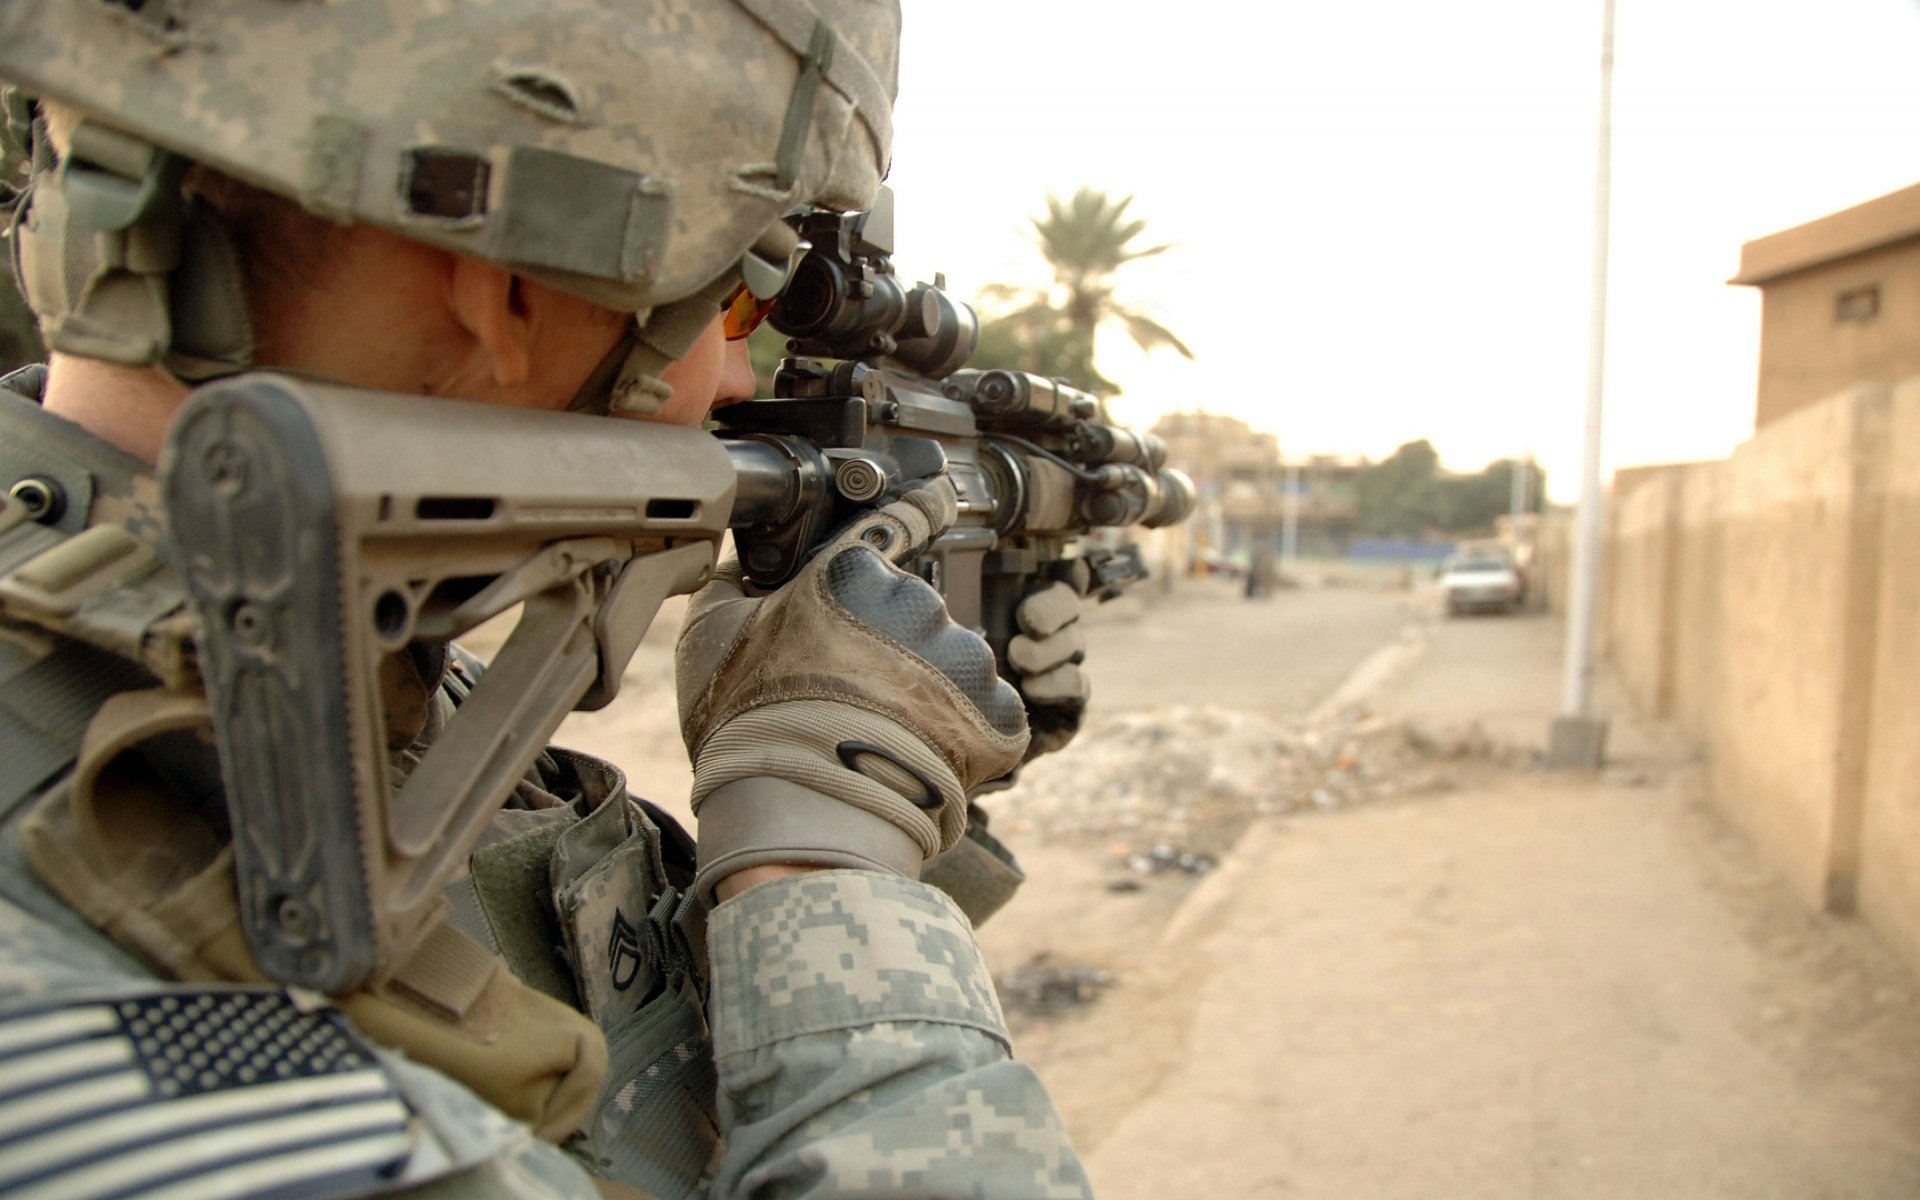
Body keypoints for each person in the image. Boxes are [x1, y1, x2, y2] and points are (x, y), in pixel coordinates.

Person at [0, 2, 1094, 1196]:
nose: (737, 376)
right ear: (507, 289)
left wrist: (903, 784)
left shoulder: (370, 688)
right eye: (738, 299)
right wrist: (827, 874)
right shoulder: (88, 1066)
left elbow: (655, 1071)